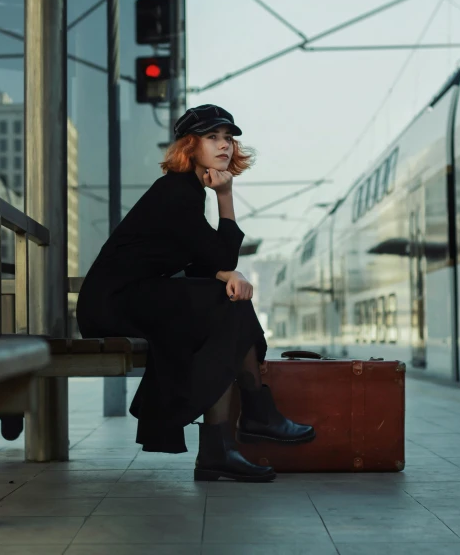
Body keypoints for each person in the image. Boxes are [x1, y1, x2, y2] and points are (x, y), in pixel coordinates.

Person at [77, 104, 315, 482]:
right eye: (212, 137)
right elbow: (217, 254)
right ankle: (250, 417)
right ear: (190, 145)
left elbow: (200, 257)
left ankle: (224, 444)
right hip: (113, 302)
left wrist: (224, 274)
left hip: (138, 296)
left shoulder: (185, 190)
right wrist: (226, 197)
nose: (224, 146)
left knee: (227, 311)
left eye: (228, 138)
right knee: (225, 306)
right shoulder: (177, 190)